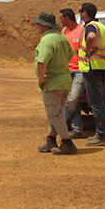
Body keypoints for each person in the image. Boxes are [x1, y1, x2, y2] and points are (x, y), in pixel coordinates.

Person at [31, 11, 77, 155]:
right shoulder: (62, 38)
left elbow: (42, 61)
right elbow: (70, 55)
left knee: (54, 114)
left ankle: (67, 142)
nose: (37, 26)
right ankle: (51, 140)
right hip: (64, 81)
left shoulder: (46, 41)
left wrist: (41, 79)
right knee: (57, 113)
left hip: (52, 82)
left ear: (44, 26)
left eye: (38, 24)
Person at [79, 2, 105, 146]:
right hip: (102, 68)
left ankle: (102, 135)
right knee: (99, 102)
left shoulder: (90, 27)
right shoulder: (103, 27)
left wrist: (88, 52)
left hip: (92, 68)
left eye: (80, 11)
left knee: (96, 103)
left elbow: (91, 37)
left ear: (85, 13)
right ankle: (102, 134)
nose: (80, 13)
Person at [60, 8, 86, 138]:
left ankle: (59, 125)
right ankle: (77, 129)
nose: (60, 21)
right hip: (66, 70)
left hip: (79, 70)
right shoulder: (64, 31)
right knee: (72, 101)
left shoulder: (82, 30)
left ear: (67, 18)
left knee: (73, 99)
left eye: (61, 18)